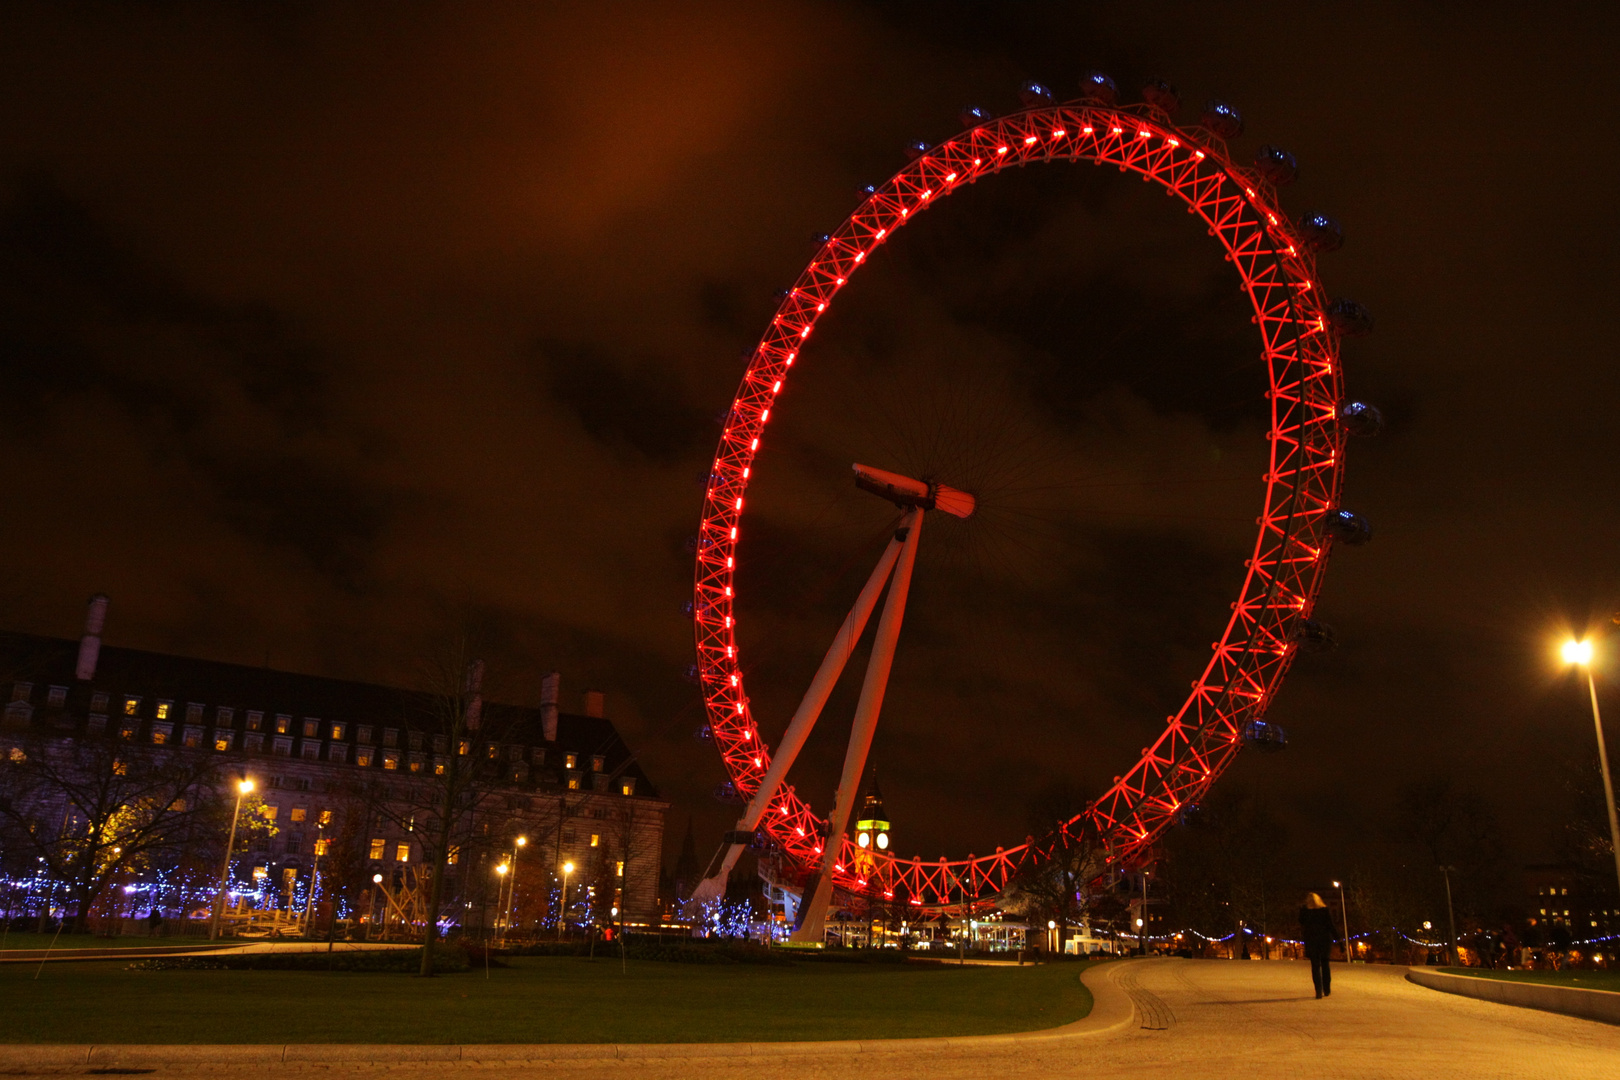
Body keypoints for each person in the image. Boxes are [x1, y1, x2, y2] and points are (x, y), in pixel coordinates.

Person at [1299, 893, 1334, 997]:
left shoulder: (1305, 911)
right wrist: (1338, 939)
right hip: (1325, 940)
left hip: (1311, 940)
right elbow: (1330, 925)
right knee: (1325, 965)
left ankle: (1318, 990)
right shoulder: (1324, 910)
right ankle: (1326, 989)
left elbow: (1301, 922)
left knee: (1315, 966)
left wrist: (1302, 910)